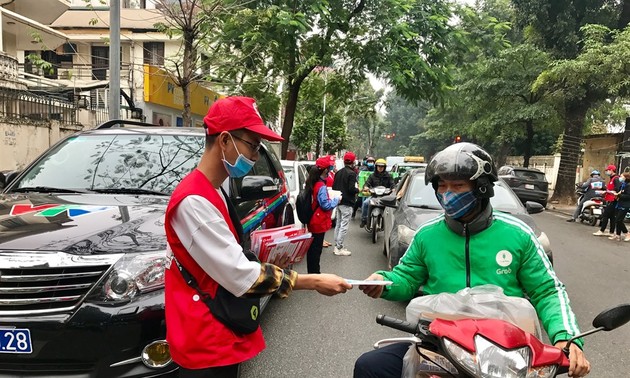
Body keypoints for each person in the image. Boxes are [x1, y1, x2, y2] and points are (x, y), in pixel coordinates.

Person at [354, 142, 590, 378]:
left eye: (458, 186)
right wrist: (383, 282)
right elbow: (406, 277)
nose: (448, 194)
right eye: (442, 186)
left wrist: (566, 337)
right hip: (440, 342)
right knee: (370, 365)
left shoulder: (517, 234)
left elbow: (547, 290)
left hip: (506, 348)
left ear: (482, 188)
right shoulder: (427, 235)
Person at [164, 96, 351, 378]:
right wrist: (310, 281)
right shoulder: (194, 201)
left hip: (217, 329)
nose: (255, 156)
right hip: (205, 341)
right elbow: (240, 275)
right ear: (225, 141)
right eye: (253, 145)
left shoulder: (213, 189)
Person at [304, 157, 340, 273]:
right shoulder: (321, 186)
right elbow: (325, 205)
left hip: (313, 220)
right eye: (329, 167)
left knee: (313, 249)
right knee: (316, 250)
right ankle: (315, 274)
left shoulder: (313, 182)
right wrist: (336, 200)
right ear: (325, 170)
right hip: (318, 222)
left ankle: (312, 273)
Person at [332, 151, 359, 256]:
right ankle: (339, 247)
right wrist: (358, 190)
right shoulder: (352, 174)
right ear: (353, 162)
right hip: (347, 203)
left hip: (338, 202)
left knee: (338, 224)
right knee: (344, 225)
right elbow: (351, 189)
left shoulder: (338, 172)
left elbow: (334, 187)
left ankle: (336, 246)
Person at [360, 158, 394, 228]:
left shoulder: (388, 176)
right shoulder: (372, 176)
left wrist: (393, 189)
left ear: (384, 167)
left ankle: (391, 224)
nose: (380, 168)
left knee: (392, 208)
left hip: (385, 197)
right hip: (374, 196)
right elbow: (367, 183)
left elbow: (392, 184)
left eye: (382, 167)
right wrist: (366, 187)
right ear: (376, 167)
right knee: (365, 203)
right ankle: (364, 219)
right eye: (379, 166)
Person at [593, 164, 621, 237]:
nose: (607, 172)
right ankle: (611, 232)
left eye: (608, 170)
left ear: (611, 170)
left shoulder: (616, 178)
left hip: (613, 200)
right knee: (612, 217)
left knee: (605, 215)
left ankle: (602, 230)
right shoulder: (612, 178)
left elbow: (617, 189)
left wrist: (608, 192)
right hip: (610, 199)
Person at [609, 170, 630, 241]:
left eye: (621, 176)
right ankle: (618, 235)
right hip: (619, 204)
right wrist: (615, 192)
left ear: (626, 177)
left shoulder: (628, 186)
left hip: (625, 205)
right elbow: (619, 191)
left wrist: (619, 195)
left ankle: (627, 233)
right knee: (617, 219)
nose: (620, 178)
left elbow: (628, 196)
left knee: (619, 220)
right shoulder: (622, 185)